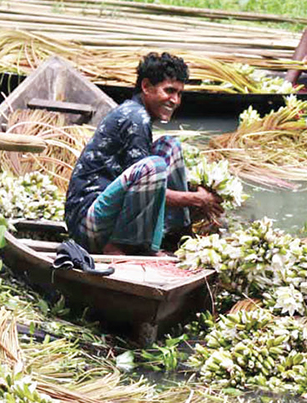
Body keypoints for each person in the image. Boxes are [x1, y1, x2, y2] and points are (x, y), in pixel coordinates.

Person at [64, 52, 220, 255]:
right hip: (89, 225)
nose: (175, 100)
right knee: (154, 165)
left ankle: (176, 235)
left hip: (106, 214)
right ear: (146, 87)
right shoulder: (135, 117)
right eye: (169, 91)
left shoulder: (139, 114)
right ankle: (123, 246)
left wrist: (197, 193)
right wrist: (196, 199)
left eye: (179, 94)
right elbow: (149, 182)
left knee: (169, 146)